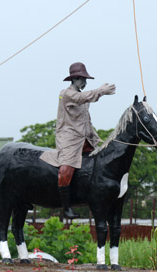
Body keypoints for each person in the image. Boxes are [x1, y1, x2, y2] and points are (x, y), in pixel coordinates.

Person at [40, 62, 116, 218]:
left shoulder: (83, 99)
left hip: (84, 139)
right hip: (69, 139)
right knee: (65, 169)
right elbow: (82, 97)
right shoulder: (67, 94)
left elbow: (86, 121)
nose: (85, 82)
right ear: (74, 79)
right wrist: (101, 91)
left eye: (85, 79)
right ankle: (66, 208)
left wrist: (96, 138)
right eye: (82, 79)